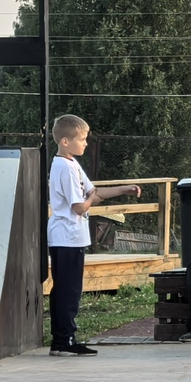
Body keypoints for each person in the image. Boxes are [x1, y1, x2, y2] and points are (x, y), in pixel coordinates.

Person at [45, 115, 140, 356]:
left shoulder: (73, 164)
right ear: (65, 141)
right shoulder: (64, 167)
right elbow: (80, 205)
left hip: (73, 237)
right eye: (83, 139)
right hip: (66, 236)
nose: (86, 143)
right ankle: (64, 339)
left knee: (67, 288)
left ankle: (61, 339)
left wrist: (124, 189)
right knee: (68, 290)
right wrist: (89, 198)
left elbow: (93, 192)